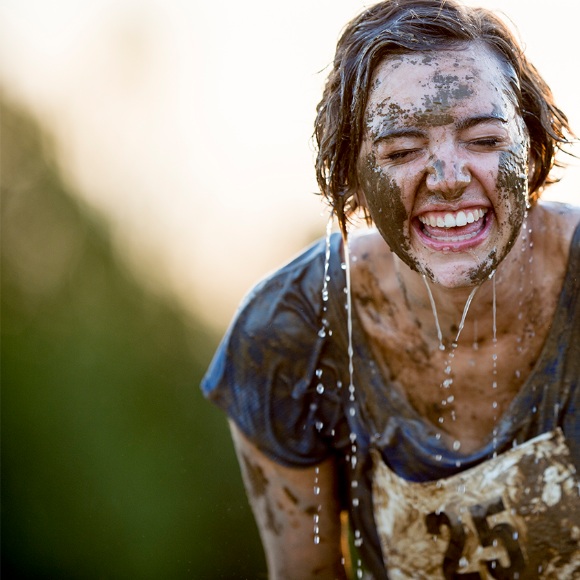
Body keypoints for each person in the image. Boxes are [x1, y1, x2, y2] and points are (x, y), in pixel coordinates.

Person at [201, 1, 580, 578]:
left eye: (483, 139)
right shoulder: (293, 334)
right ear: (350, 173)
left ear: (531, 145)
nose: (449, 179)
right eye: (402, 151)